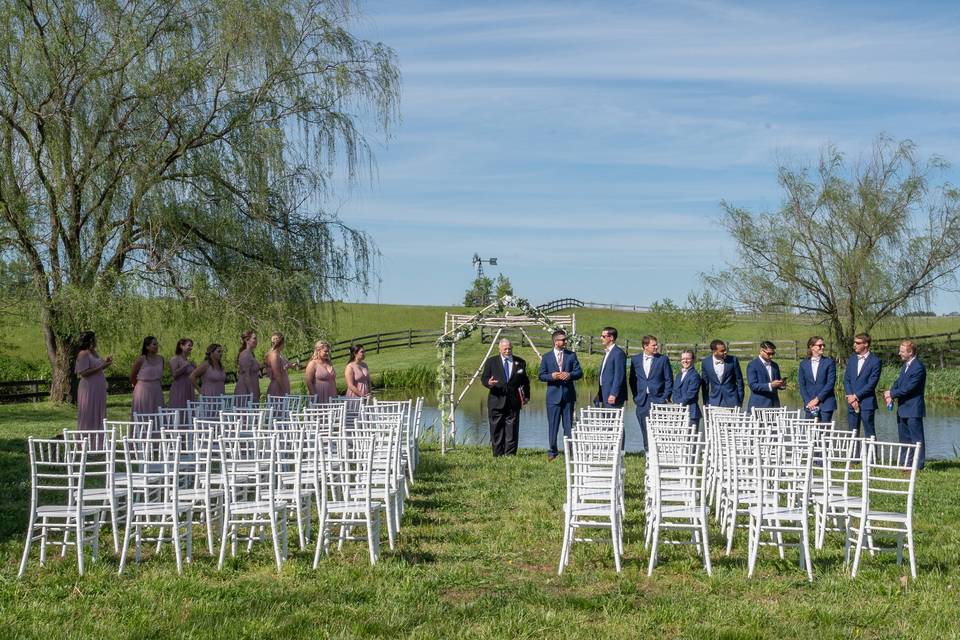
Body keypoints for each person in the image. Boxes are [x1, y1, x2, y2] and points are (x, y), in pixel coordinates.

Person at [538, 330, 583, 460]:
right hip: (553, 397)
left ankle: (570, 452)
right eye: (562, 340)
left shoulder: (571, 355)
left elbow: (579, 372)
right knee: (553, 425)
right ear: (555, 341)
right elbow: (541, 375)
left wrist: (570, 375)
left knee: (568, 426)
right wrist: (551, 376)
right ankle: (552, 452)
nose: (565, 342)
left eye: (565, 339)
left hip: (568, 396)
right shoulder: (546, 357)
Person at [481, 339, 531, 457]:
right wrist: (488, 383)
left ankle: (510, 454)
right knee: (496, 429)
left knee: (512, 429)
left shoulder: (520, 362)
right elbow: (484, 378)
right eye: (505, 349)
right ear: (500, 349)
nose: (508, 351)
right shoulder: (491, 362)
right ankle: (497, 454)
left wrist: (527, 396)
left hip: (514, 402)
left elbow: (525, 381)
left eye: (510, 348)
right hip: (496, 401)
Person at [885, 340, 927, 470]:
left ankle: (918, 465)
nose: (899, 353)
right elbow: (899, 383)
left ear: (910, 352)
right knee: (904, 439)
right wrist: (890, 393)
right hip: (903, 408)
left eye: (902, 351)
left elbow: (909, 388)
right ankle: (905, 464)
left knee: (916, 439)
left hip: (913, 408)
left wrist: (892, 394)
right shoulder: (905, 366)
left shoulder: (918, 367)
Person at [629, 335, 673, 451]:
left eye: (656, 344)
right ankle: (647, 453)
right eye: (653, 345)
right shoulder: (636, 360)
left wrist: (664, 397)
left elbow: (669, 380)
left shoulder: (663, 359)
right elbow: (632, 380)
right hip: (642, 400)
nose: (656, 347)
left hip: (658, 399)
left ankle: (661, 454)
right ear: (645, 346)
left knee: (659, 430)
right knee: (644, 429)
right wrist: (636, 396)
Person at [843, 332, 881, 438]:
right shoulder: (852, 359)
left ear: (866, 344)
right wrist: (850, 396)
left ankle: (872, 455)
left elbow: (871, 384)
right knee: (853, 434)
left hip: (867, 402)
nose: (854, 345)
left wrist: (856, 396)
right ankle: (854, 455)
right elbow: (846, 379)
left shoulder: (875, 361)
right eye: (854, 342)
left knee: (870, 434)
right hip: (851, 402)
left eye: (857, 343)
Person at [75, 331, 112, 431]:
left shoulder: (93, 352)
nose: (96, 340)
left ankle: (99, 439)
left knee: (99, 410)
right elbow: (83, 372)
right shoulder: (83, 354)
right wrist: (102, 366)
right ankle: (86, 439)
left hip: (98, 386)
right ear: (91, 340)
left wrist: (105, 362)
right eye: (95, 338)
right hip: (89, 387)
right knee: (89, 411)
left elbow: (96, 366)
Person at [797, 336, 837, 422]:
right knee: (810, 433)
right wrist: (809, 401)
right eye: (819, 345)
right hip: (810, 404)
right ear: (811, 347)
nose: (822, 347)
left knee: (824, 432)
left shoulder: (829, 362)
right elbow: (802, 385)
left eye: (823, 345)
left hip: (826, 403)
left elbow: (830, 383)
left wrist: (817, 399)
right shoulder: (803, 364)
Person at [700, 339, 744, 408]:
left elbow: (739, 381)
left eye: (725, 350)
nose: (725, 352)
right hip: (714, 401)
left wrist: (740, 400)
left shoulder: (733, 360)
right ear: (714, 352)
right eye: (722, 351)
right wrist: (706, 403)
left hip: (732, 400)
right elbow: (705, 385)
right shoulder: (705, 362)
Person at [130, 335, 165, 415]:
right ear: (147, 346)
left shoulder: (161, 359)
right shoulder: (141, 359)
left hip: (156, 389)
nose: (156, 346)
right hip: (143, 389)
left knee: (157, 411)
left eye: (157, 344)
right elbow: (132, 375)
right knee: (144, 411)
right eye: (154, 344)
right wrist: (138, 387)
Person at [746, 341, 786, 409]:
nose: (771, 356)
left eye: (773, 353)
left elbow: (777, 382)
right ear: (761, 351)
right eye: (769, 353)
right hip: (758, 406)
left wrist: (781, 385)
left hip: (774, 405)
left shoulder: (775, 365)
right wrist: (770, 385)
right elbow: (753, 386)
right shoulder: (752, 365)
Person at [597, 326, 627, 408]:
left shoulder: (618, 353)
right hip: (604, 393)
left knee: (612, 419)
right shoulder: (608, 352)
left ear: (611, 337)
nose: (601, 338)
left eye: (603, 336)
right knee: (605, 420)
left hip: (613, 396)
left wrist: (613, 394)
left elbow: (619, 376)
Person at [673, 349, 702, 430]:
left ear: (693, 360)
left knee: (690, 441)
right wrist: (674, 403)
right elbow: (675, 391)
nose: (685, 361)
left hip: (691, 412)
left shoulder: (695, 375)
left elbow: (690, 394)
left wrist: (678, 403)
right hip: (679, 413)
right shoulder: (678, 375)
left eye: (688, 358)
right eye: (683, 359)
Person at [234, 329, 261, 404]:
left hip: (253, 388)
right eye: (254, 338)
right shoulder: (245, 354)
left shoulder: (251, 354)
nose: (256, 341)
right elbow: (246, 376)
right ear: (247, 340)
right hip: (245, 391)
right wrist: (252, 394)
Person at [168, 338, 196, 408]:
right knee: (180, 407)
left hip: (189, 387)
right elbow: (174, 374)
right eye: (189, 345)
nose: (191, 348)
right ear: (181, 346)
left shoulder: (188, 360)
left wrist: (195, 368)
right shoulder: (175, 359)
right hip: (179, 388)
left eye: (191, 346)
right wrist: (185, 365)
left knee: (189, 408)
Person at [265, 332, 294, 397]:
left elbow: (282, 367)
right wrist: (284, 389)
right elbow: (277, 374)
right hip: (278, 387)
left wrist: (290, 366)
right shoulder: (274, 355)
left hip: (282, 383)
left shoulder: (279, 354)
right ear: (281, 343)